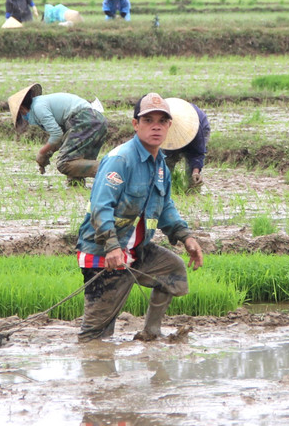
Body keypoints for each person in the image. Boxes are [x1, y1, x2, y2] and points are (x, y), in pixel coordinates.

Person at [74, 93, 205, 342]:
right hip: (105, 253)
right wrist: (112, 246)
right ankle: (93, 373)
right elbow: (101, 207)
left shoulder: (160, 165)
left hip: (137, 251)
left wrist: (185, 236)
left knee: (172, 271)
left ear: (169, 126)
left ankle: (150, 333)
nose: (156, 126)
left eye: (162, 121)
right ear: (136, 124)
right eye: (148, 120)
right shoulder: (120, 160)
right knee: (96, 335)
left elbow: (165, 206)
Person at [8, 83, 108, 182]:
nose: (24, 118)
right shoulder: (40, 104)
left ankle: (111, 170)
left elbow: (57, 134)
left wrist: (41, 152)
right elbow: (63, 139)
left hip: (85, 120)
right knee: (75, 168)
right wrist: (47, 154)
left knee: (65, 163)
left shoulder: (38, 108)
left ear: (22, 109)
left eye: (21, 114)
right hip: (95, 120)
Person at [160, 98, 210, 192]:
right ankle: (165, 189)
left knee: (192, 176)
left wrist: (195, 172)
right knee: (167, 162)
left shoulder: (196, 130)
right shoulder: (159, 125)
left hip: (198, 130)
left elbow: (197, 153)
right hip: (167, 133)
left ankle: (193, 189)